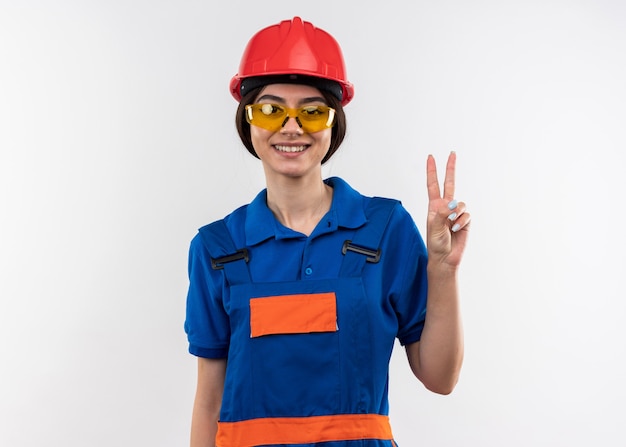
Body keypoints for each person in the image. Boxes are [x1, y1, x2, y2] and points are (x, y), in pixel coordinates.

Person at [184, 16, 470, 447]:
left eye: (313, 112)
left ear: (333, 122)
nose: (291, 126)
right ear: (248, 120)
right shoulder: (217, 248)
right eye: (270, 108)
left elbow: (439, 378)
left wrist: (443, 272)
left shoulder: (385, 230)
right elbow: (208, 404)